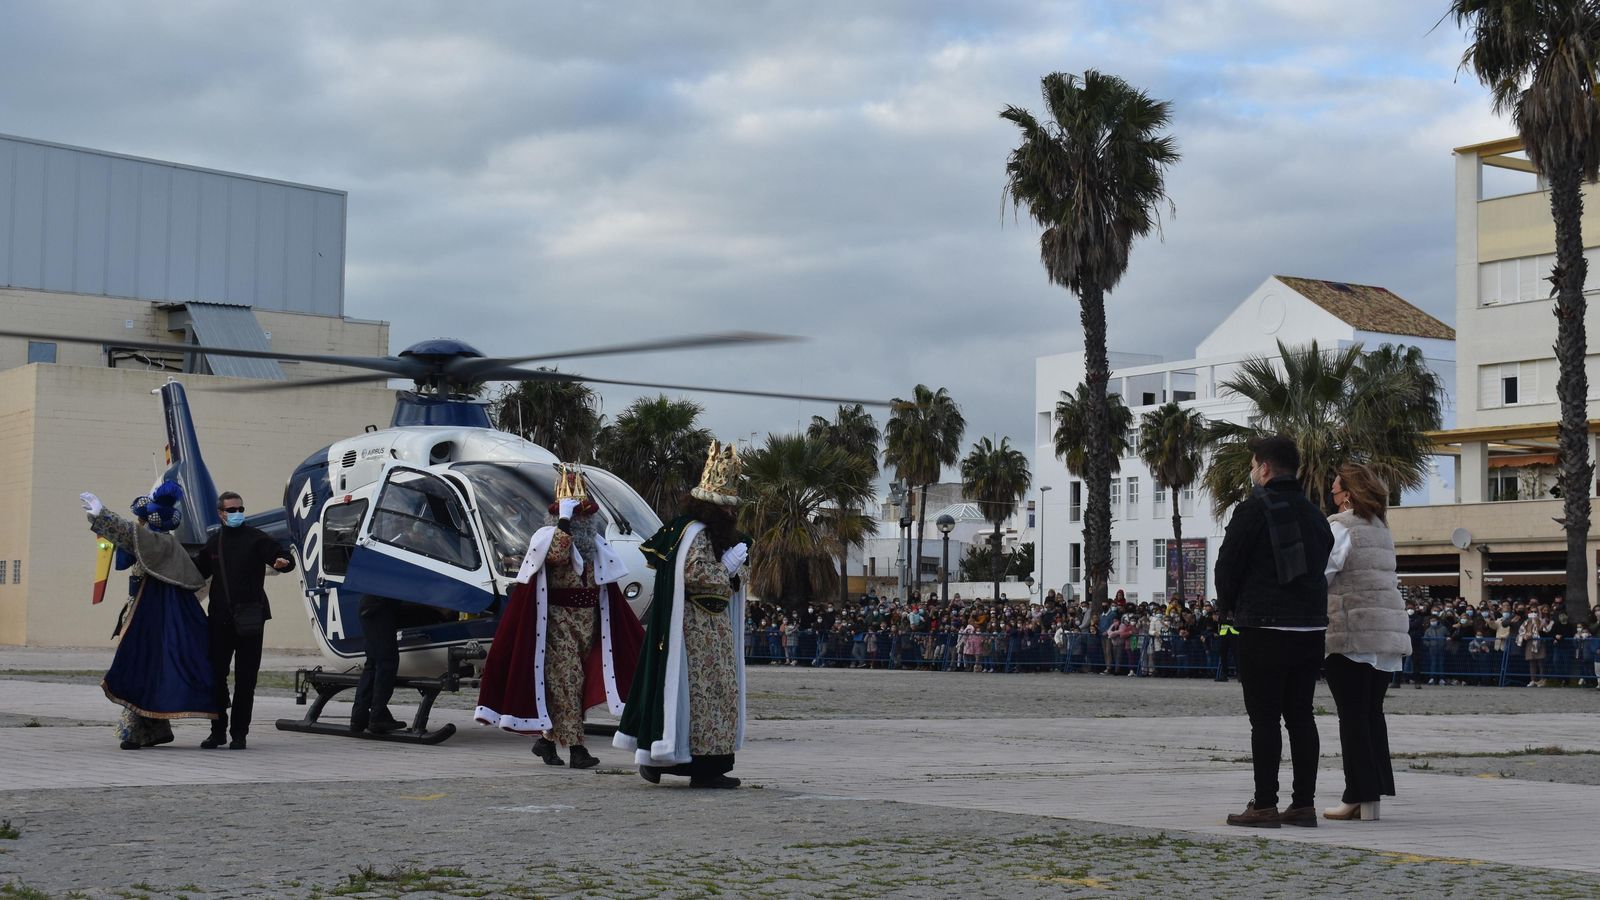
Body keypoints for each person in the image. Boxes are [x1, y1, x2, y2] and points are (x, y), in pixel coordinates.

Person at [475, 465, 643, 768]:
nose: (583, 520)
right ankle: (577, 749)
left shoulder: (596, 545)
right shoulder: (548, 536)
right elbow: (556, 556)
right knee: (568, 681)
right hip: (557, 625)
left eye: (584, 515)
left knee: (573, 685)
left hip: (589, 625)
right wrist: (564, 522)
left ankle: (546, 742)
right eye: (577, 515)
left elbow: (609, 579)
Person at [615, 440, 751, 788]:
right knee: (701, 696)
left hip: (713, 630)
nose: (732, 516)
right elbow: (696, 574)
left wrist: (734, 571)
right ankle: (700, 768)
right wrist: (728, 569)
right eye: (726, 509)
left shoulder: (702, 534)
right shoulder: (694, 534)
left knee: (714, 695)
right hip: (694, 630)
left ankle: (697, 765)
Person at [1215, 435, 1334, 828]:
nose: (1252, 472)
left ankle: (1264, 803)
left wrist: (1231, 608)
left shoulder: (1253, 509)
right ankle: (1304, 804)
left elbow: (1227, 566)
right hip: (1310, 627)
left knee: (1264, 719)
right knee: (1301, 716)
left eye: (1253, 465)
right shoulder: (1316, 514)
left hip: (1263, 626)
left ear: (1264, 468)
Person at [80, 481, 219, 749]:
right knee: (147, 668)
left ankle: (134, 733)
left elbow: (125, 532)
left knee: (141, 666)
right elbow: (124, 561)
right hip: (143, 613)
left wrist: (102, 513)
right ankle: (152, 730)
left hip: (149, 619)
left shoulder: (158, 541)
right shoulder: (157, 542)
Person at [1321, 464, 1411, 822]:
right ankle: (1371, 794)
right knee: (1372, 714)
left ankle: (1356, 793)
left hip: (1352, 629)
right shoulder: (1381, 528)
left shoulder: (1340, 527)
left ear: (1347, 494)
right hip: (1386, 631)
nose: (1332, 495)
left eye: (1334, 490)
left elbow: (1325, 573)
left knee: (1352, 717)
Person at [193, 491, 294, 750]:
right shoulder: (214, 544)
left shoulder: (256, 538)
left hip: (251, 621)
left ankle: (239, 733)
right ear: (221, 513)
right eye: (232, 509)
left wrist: (283, 562)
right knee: (216, 677)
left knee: (246, 680)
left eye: (240, 508)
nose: (237, 513)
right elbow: (196, 573)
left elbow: (280, 555)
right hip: (219, 621)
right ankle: (217, 732)